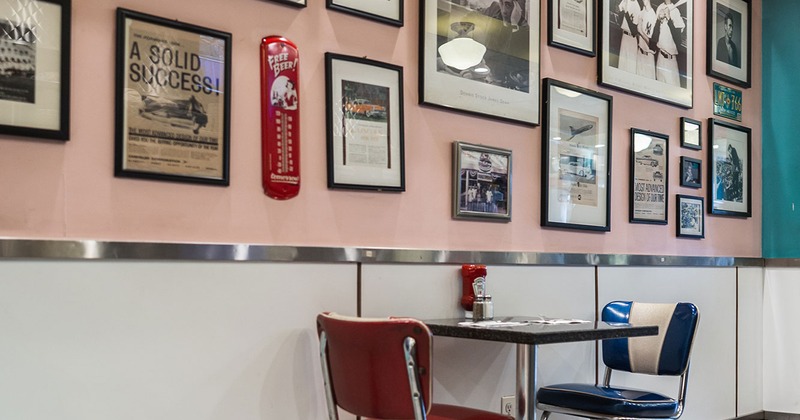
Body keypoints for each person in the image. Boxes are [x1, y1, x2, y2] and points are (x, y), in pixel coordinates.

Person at [654, 0, 685, 86]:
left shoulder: (675, 11)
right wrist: (658, 20)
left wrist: (669, 18)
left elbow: (678, 40)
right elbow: (654, 36)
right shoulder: (659, 7)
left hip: (671, 60)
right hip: (660, 57)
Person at [617, 0, 641, 74]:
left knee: (631, 68)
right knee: (621, 65)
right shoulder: (625, 1)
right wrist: (621, 12)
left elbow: (634, 30)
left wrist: (626, 12)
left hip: (631, 39)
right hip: (624, 36)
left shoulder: (637, 6)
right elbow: (619, 21)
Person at [636, 0, 657, 79]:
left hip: (648, 56)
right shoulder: (641, 13)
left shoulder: (653, 16)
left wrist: (641, 31)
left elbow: (652, 44)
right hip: (639, 52)